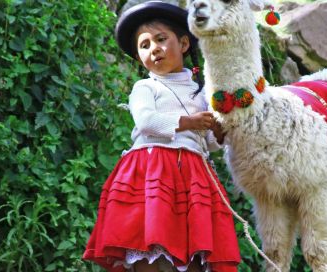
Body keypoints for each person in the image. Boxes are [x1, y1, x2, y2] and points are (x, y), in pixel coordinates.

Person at [83, 1, 241, 271]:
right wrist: (189, 122)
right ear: (138, 57)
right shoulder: (145, 87)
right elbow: (146, 121)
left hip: (192, 174)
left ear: (183, 44)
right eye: (144, 45)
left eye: (160, 39)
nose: (153, 48)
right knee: (145, 246)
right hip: (150, 169)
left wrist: (218, 131)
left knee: (194, 252)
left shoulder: (202, 94)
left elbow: (208, 144)